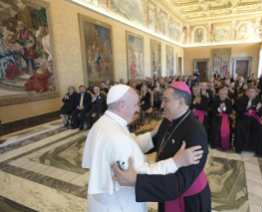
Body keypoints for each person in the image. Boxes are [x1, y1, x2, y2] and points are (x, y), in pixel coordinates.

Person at [82, 84, 203, 212]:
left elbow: (130, 143)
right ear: (122, 105)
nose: (138, 109)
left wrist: (150, 136)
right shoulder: (116, 136)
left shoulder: (103, 123)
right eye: (135, 104)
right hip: (119, 206)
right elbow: (141, 174)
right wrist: (176, 162)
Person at [111, 82, 211, 212]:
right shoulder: (168, 120)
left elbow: (183, 180)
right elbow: (158, 143)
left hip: (188, 199)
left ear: (180, 102)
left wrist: (137, 181)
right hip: (165, 188)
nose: (161, 105)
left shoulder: (196, 132)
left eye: (166, 100)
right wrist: (123, 143)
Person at [234, 86, 262, 157]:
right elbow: (237, 109)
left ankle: (258, 149)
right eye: (250, 91)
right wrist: (246, 107)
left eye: (253, 91)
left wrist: (257, 109)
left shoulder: (259, 100)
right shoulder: (242, 99)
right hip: (243, 118)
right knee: (239, 127)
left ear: (256, 93)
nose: (251, 93)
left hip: (255, 119)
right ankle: (238, 147)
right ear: (247, 92)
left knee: (260, 129)